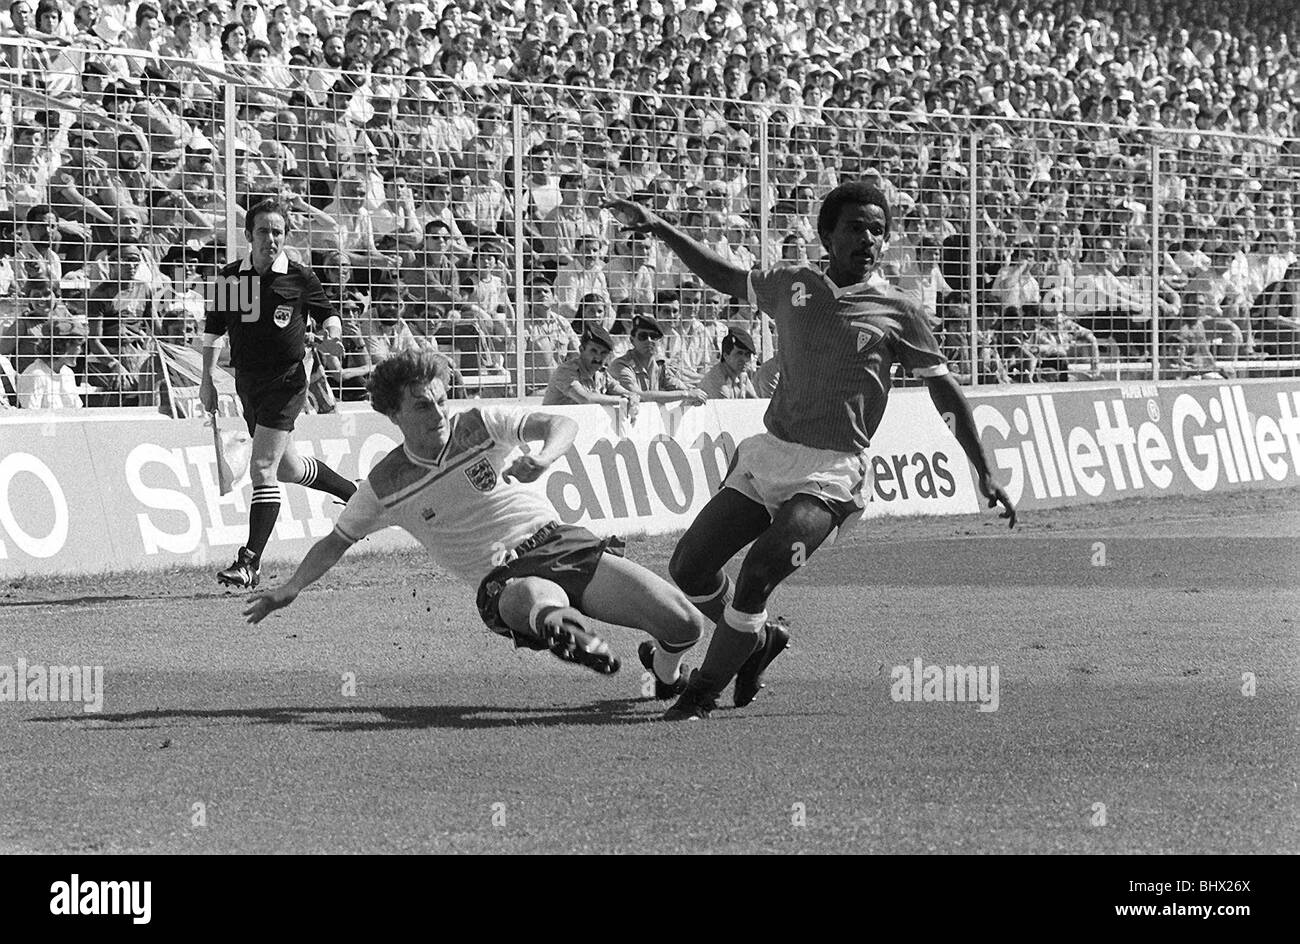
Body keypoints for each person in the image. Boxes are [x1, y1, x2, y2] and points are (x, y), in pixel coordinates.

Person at [606, 182, 1017, 722]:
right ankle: (756, 639)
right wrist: (659, 227)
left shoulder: (899, 311)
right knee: (690, 567)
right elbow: (725, 277)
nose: (868, 239)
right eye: (855, 227)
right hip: (770, 454)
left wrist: (983, 468)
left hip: (831, 472)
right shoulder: (792, 284)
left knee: (756, 575)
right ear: (826, 234)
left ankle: (701, 693)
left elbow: (946, 393)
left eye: (878, 231)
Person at [244, 348, 706, 694]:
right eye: (423, 405)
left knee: (686, 625)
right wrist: (291, 588)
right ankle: (563, 629)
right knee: (532, 595)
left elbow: (561, 426)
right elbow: (335, 541)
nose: (439, 412)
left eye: (441, 400)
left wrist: (544, 458)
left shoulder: (478, 424)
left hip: (561, 543)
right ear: (393, 414)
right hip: (501, 579)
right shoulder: (385, 483)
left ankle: (665, 676)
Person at [200, 198, 358, 589]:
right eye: (263, 231)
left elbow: (327, 315)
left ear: (286, 236)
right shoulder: (234, 279)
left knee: (262, 469)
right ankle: (352, 494)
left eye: (278, 232)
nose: (271, 239)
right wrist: (206, 379)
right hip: (248, 383)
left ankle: (249, 561)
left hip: (287, 381)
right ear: (249, 235)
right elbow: (215, 332)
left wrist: (332, 338)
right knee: (285, 468)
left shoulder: (298, 277)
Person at [608, 313, 708, 405]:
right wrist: (687, 395)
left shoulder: (660, 366)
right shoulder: (621, 365)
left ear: (659, 341)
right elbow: (638, 396)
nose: (649, 340)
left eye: (654, 336)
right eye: (643, 336)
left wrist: (693, 396)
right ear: (632, 340)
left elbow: (678, 386)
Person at [542, 324, 640, 413]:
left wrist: (632, 397)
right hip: (554, 428)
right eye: (593, 351)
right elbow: (585, 399)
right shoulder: (566, 371)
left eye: (603, 353)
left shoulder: (601, 373)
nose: (598, 358)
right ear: (581, 350)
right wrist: (622, 400)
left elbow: (621, 391)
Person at [698, 327, 760, 399]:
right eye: (739, 353)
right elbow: (726, 409)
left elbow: (755, 401)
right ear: (725, 355)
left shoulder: (741, 374)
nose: (744, 359)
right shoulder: (718, 380)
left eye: (747, 355)